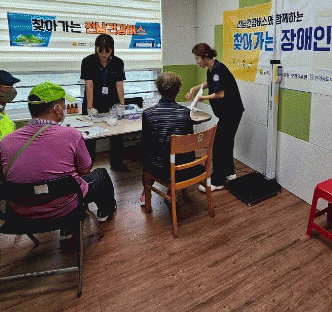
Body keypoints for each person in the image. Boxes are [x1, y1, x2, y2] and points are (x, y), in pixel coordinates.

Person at [0, 82, 116, 222]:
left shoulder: (7, 140)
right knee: (101, 174)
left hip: (20, 210)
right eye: (64, 105)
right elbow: (85, 170)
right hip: (64, 206)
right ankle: (105, 211)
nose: (65, 109)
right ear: (57, 109)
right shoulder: (71, 135)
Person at [186, 43, 244, 191]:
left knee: (218, 146)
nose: (197, 62)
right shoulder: (212, 68)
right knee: (226, 143)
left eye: (197, 59)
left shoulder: (218, 69)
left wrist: (201, 98)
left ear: (205, 57)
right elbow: (210, 83)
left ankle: (218, 182)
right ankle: (230, 173)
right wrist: (195, 88)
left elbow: (220, 94)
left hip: (231, 112)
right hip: (231, 112)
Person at [139, 72, 195, 205]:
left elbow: (145, 144)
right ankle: (172, 190)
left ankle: (146, 191)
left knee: (148, 156)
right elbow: (189, 142)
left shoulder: (148, 114)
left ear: (158, 90)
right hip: (181, 166)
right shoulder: (185, 113)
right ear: (178, 90)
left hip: (158, 167)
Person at [80, 33, 128, 171]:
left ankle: (117, 163)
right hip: (93, 101)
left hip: (111, 101)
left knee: (117, 133)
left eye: (107, 51)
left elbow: (119, 85)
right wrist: (90, 108)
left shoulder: (118, 62)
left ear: (112, 49)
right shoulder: (88, 61)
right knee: (90, 136)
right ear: (96, 48)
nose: (104, 54)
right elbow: (89, 85)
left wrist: (122, 104)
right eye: (100, 51)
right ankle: (87, 166)